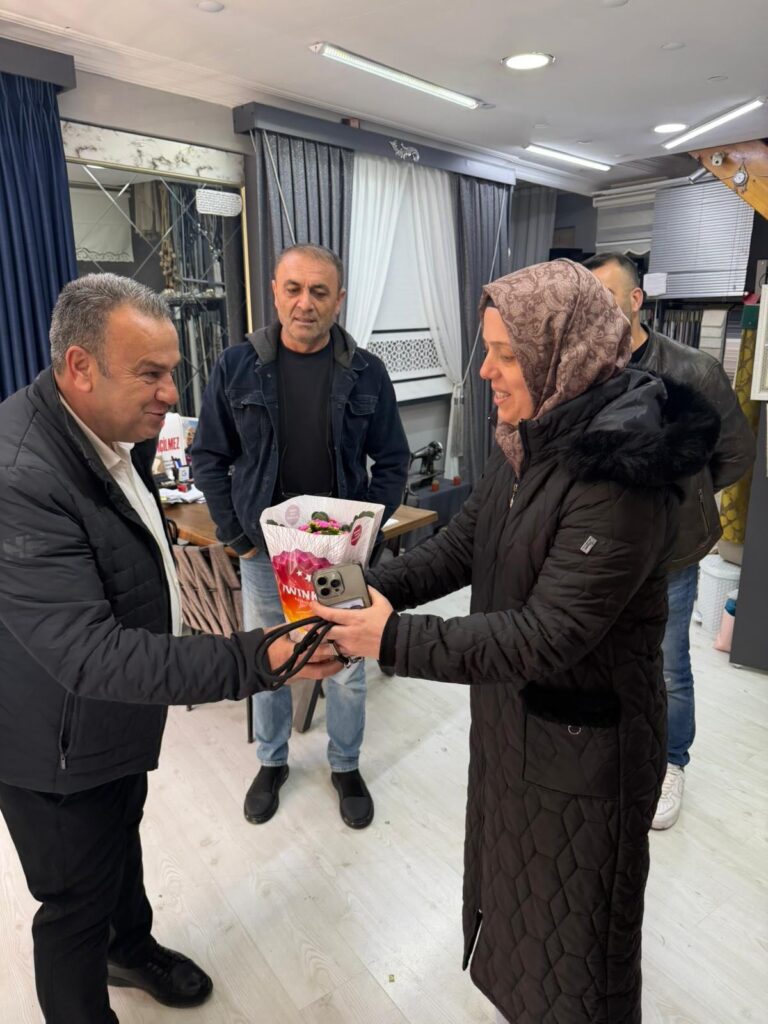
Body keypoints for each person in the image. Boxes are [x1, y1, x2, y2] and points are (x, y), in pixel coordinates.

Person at [310, 259, 721, 1024]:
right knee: (522, 918)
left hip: (585, 754)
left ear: (559, 354)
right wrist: (359, 589)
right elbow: (459, 547)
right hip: (518, 731)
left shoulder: (621, 474)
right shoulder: (529, 439)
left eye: (504, 354)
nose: (486, 372)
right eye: (488, 350)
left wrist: (389, 639)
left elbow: (546, 635)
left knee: (579, 957)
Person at [0, 273, 337, 1024]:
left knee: (119, 844)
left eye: (173, 370)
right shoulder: (20, 476)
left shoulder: (109, 435)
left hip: (108, 721)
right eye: (150, 373)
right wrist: (256, 657)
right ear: (80, 367)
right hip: (52, 743)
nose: (170, 393)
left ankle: (130, 948)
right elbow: (91, 655)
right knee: (73, 905)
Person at [192, 244, 409, 830]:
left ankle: (345, 765)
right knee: (269, 658)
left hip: (339, 557)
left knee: (347, 661)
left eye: (319, 291)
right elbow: (209, 456)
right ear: (275, 292)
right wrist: (236, 534)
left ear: (339, 300)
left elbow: (393, 461)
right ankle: (271, 761)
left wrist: (365, 535)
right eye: (293, 288)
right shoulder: (236, 366)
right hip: (265, 552)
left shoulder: (367, 372)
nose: (304, 303)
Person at [584, 252, 755, 829]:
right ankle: (618, 749)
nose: (597, 311)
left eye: (608, 297)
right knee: (603, 653)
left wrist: (686, 494)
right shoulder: (584, 371)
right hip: (601, 547)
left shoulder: (692, 370)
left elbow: (735, 454)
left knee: (668, 663)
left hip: (670, 549)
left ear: (636, 301)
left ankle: (671, 762)